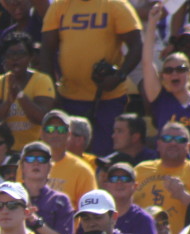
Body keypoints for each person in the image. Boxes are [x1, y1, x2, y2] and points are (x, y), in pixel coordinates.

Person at [40, 0, 142, 156]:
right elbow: (47, 50)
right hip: (69, 98)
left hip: (108, 99)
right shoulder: (59, 6)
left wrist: (118, 76)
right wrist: (51, 90)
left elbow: (136, 45)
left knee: (104, 155)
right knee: (69, 154)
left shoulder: (114, 5)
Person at [142, 5, 190, 155]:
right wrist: (152, 24)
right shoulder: (160, 99)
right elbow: (147, 63)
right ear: (163, 76)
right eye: (168, 70)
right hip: (166, 165)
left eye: (180, 69)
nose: (174, 73)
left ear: (189, 73)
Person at [133, 121, 190, 234]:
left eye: (180, 140)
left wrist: (182, 195)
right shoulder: (141, 169)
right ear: (158, 144)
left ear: (189, 147)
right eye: (167, 138)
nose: (173, 143)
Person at [0, 32, 55, 153]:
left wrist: (20, 95)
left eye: (21, 54)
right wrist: (8, 102)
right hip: (5, 151)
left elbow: (43, 119)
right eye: (10, 55)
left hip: (35, 149)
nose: (15, 58)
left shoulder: (42, 80)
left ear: (30, 57)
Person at [36, 109, 97, 209]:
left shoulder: (83, 170)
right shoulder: (27, 165)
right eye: (50, 129)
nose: (55, 134)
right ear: (41, 134)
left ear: (68, 134)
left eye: (61, 130)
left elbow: (90, 210)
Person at [17, 140, 74, 234]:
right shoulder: (11, 196)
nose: (36, 163)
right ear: (22, 166)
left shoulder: (60, 201)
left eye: (42, 159)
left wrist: (33, 219)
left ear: (50, 167)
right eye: (30, 158)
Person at [100, 162, 157, 234]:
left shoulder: (143, 219)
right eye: (114, 179)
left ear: (135, 186)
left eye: (125, 179)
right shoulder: (96, 216)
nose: (119, 182)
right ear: (107, 185)